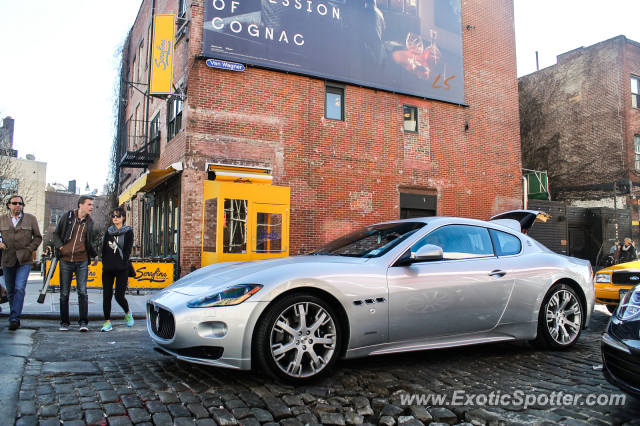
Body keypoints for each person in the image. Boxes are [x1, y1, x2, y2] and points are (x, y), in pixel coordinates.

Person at [52, 196, 99, 332]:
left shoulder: (90, 222)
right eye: (89, 204)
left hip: (82, 260)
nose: (91, 207)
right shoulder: (67, 217)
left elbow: (88, 241)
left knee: (82, 292)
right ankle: (64, 323)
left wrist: (94, 254)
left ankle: (83, 322)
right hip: (66, 260)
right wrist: (62, 248)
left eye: (92, 205)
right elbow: (56, 234)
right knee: (64, 293)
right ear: (81, 205)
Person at [0, 195, 43, 330]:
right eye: (15, 203)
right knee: (11, 290)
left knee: (19, 287)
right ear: (9, 205)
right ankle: (14, 315)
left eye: (20, 203)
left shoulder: (30, 219)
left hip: (24, 260)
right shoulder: (2, 219)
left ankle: (14, 318)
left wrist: (29, 249)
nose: (18, 205)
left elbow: (37, 237)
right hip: (7, 259)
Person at [101, 207, 134, 332]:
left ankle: (127, 313)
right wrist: (105, 263)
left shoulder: (128, 231)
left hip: (122, 268)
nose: (115, 218)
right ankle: (107, 322)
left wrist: (124, 262)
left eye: (118, 216)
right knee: (107, 296)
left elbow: (128, 249)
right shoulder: (108, 232)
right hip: (108, 269)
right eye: (113, 215)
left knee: (119, 296)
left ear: (123, 218)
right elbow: (104, 249)